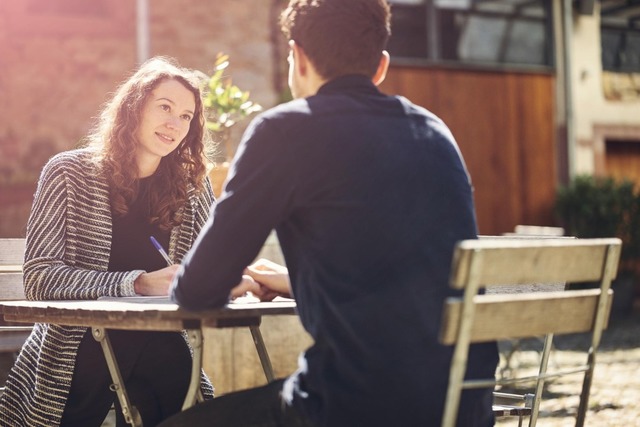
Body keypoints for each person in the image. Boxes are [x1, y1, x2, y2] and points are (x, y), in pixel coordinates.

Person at [162, 1, 499, 426]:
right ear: (381, 66)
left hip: (354, 406)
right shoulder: (433, 131)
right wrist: (294, 282)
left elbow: (195, 291)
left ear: (297, 58)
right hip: (463, 406)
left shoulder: (284, 131)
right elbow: (402, 275)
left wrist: (234, 280)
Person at [0, 56, 256, 427]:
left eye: (186, 116)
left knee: (174, 367)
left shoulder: (190, 186)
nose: (174, 123)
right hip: (78, 347)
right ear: (134, 108)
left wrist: (244, 275)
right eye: (165, 107)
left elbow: (212, 261)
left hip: (159, 342)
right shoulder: (68, 172)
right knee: (174, 375)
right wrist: (138, 283)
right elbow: (40, 278)